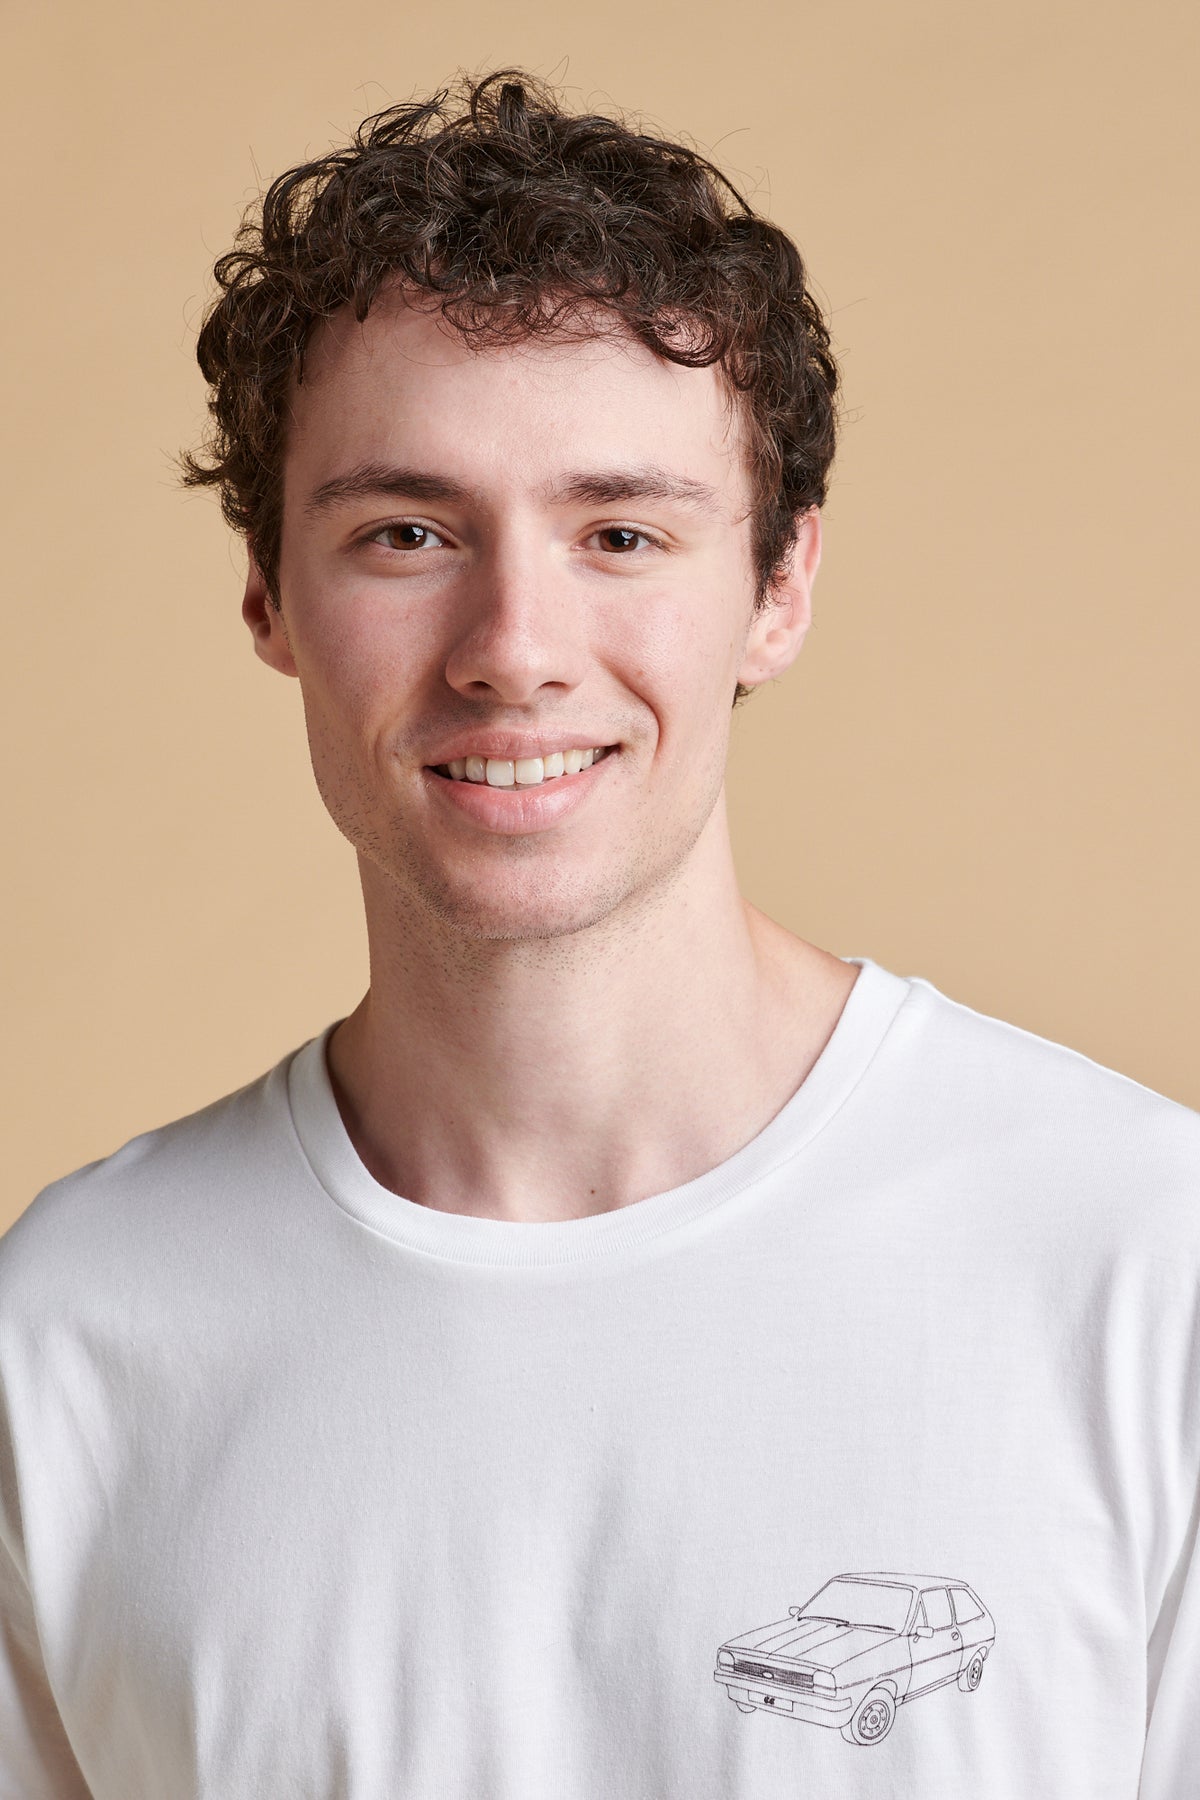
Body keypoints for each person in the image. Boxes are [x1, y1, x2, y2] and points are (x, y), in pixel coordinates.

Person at [0, 67, 1196, 1800]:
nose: (515, 645)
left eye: (619, 531)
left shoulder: (1138, 1266)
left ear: (778, 589)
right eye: (406, 533)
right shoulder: (68, 1343)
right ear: (268, 593)